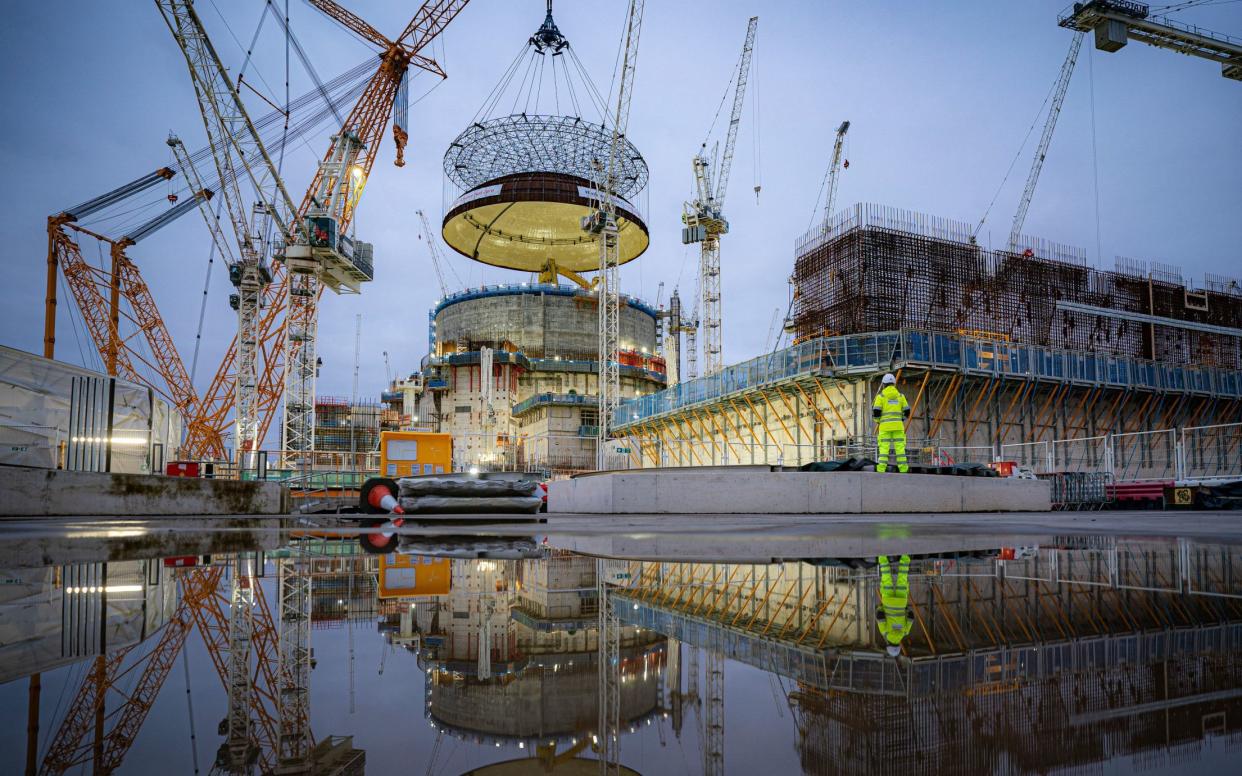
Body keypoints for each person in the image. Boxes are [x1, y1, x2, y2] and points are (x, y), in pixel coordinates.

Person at [876, 554, 912, 657]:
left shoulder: (905, 632)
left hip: (901, 602)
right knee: (886, 578)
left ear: (899, 645)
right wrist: (880, 607)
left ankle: (905, 556)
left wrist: (905, 609)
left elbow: (911, 616)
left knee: (902, 578)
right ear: (888, 645)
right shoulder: (885, 632)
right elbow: (880, 615)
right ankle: (882, 557)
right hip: (888, 601)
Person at [872, 373, 910, 473]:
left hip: (885, 427)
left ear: (884, 384)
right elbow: (907, 411)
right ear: (894, 384)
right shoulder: (901, 396)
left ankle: (881, 469)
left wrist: (878, 421)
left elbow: (876, 412)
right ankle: (903, 469)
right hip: (898, 427)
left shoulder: (881, 397)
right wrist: (901, 419)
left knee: (884, 450)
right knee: (900, 450)